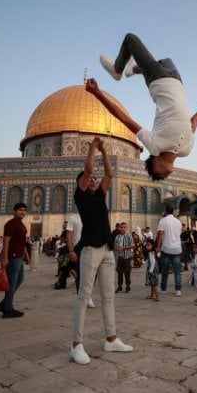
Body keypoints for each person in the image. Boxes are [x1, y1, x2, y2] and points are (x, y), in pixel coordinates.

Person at [91, 33, 197, 180]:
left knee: (130, 39)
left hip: (158, 81)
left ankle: (117, 70)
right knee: (166, 60)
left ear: (155, 160)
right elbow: (196, 120)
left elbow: (125, 119)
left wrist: (98, 93)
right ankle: (133, 69)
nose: (164, 176)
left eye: (159, 174)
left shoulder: (155, 146)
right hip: (176, 81)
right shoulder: (186, 150)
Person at [70, 136, 132, 365]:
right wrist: (93, 148)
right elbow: (87, 169)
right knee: (83, 296)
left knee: (108, 296)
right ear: (82, 184)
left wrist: (105, 151)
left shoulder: (98, 195)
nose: (93, 181)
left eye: (94, 180)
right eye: (89, 180)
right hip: (90, 250)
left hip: (107, 250)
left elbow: (109, 175)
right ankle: (76, 345)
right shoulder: (80, 196)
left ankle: (111, 339)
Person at [0, 203, 30, 318]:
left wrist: (26, 255)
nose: (23, 212)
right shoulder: (11, 224)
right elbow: (6, 240)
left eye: (24, 210)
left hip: (19, 256)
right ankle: (7, 309)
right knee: (11, 283)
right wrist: (4, 257)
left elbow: (22, 242)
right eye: (20, 210)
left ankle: (5, 303)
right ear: (14, 211)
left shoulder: (20, 224)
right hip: (13, 256)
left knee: (20, 279)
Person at [66, 213, 95, 308]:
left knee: (92, 275)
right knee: (80, 275)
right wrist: (71, 251)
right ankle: (83, 298)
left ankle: (88, 295)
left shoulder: (93, 216)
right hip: (78, 249)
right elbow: (68, 236)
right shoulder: (73, 218)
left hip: (91, 248)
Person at [156, 205, 183, 296]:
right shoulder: (178, 221)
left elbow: (161, 234)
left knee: (164, 270)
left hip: (166, 248)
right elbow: (179, 233)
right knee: (177, 271)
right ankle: (178, 290)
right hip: (177, 249)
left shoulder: (163, 221)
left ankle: (163, 289)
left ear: (166, 211)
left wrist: (158, 246)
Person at [114, 222, 134, 293]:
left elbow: (132, 245)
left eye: (124, 227)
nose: (122, 229)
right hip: (119, 257)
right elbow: (115, 246)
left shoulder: (129, 236)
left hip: (127, 257)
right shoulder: (117, 236)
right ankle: (120, 286)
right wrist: (117, 248)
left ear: (126, 228)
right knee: (119, 272)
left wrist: (124, 248)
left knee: (127, 272)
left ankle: (128, 286)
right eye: (121, 227)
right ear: (119, 228)